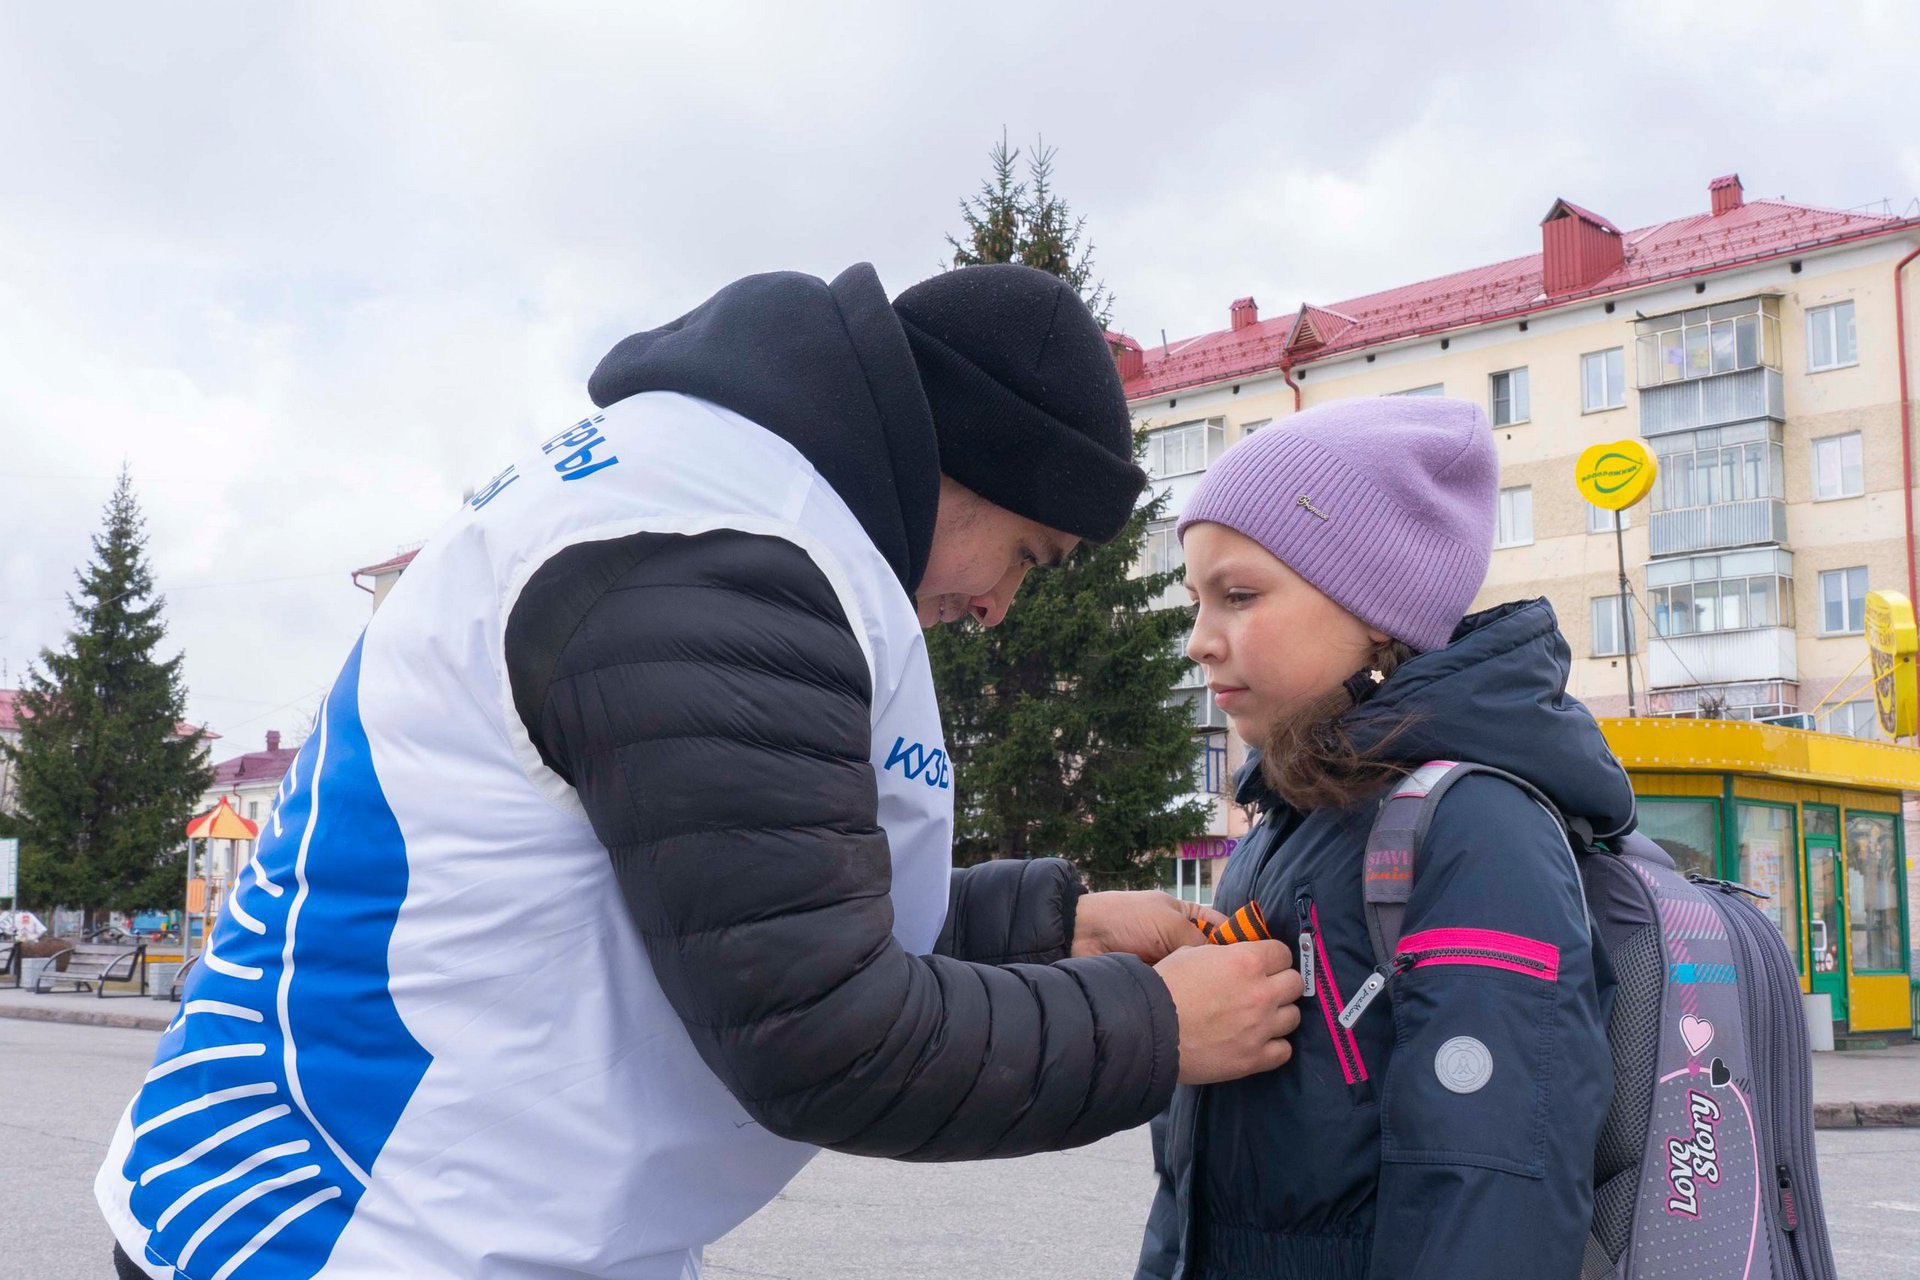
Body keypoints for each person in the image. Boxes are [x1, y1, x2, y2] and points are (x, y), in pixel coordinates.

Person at [99, 262, 1304, 1280]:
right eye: (1027, 554)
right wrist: (1153, 1026)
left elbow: (730, 914)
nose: (996, 604)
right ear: (967, 464)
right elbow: (821, 1033)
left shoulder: (720, 503)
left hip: (437, 1197)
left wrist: (1053, 926)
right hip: (341, 1220)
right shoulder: (714, 562)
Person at [1137, 397, 1631, 1280]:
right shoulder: (1287, 824)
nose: (1200, 643)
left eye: (1239, 596)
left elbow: (1489, 1197)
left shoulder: (1476, 831)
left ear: (1377, 611)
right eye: (1197, 602)